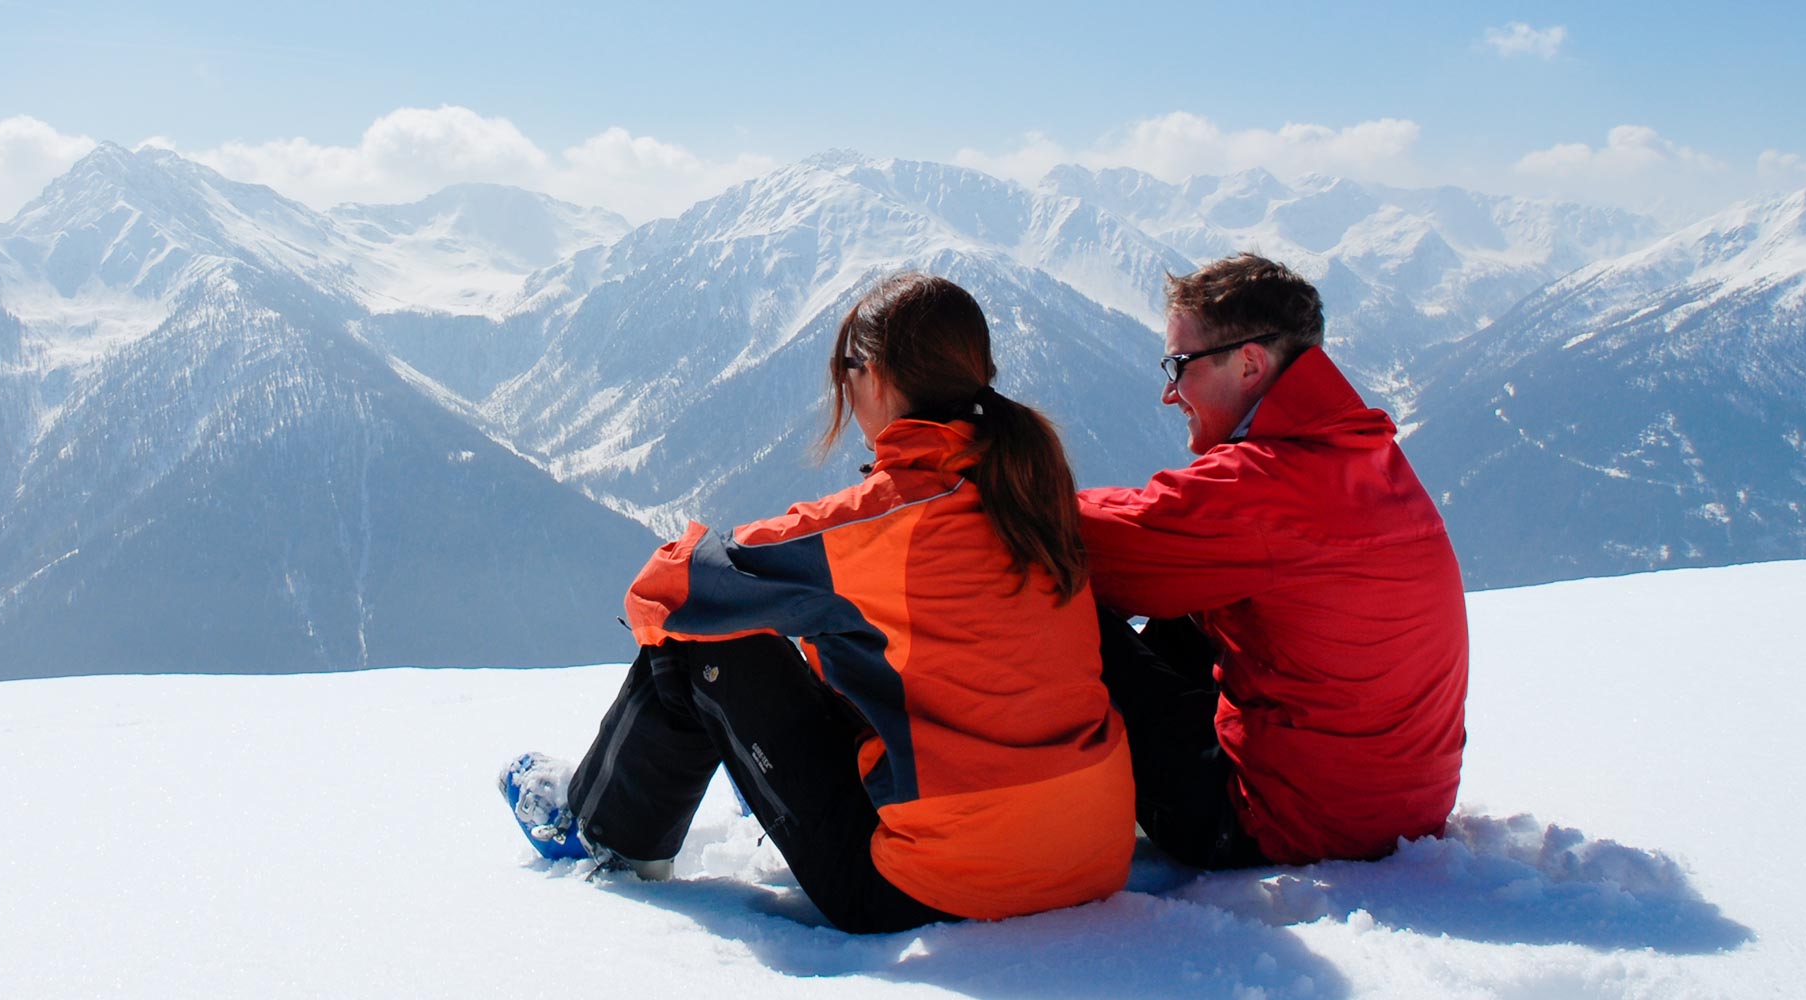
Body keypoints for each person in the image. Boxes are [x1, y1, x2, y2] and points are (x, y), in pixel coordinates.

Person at [501, 273, 1135, 934]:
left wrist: (682, 620)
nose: (842, 384)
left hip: (931, 888)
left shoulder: (883, 521)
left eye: (846, 367)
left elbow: (675, 585)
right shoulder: (1037, 493)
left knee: (710, 642)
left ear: (881, 378)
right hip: (1092, 856)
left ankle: (599, 829)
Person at [1077, 253, 1469, 870]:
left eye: (1179, 367)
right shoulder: (1365, 457)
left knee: (1059, 603)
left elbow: (1097, 537)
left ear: (1251, 363)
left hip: (1290, 823)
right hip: (1403, 807)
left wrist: (979, 492)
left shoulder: (1266, 485)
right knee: (1200, 595)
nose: (1167, 392)